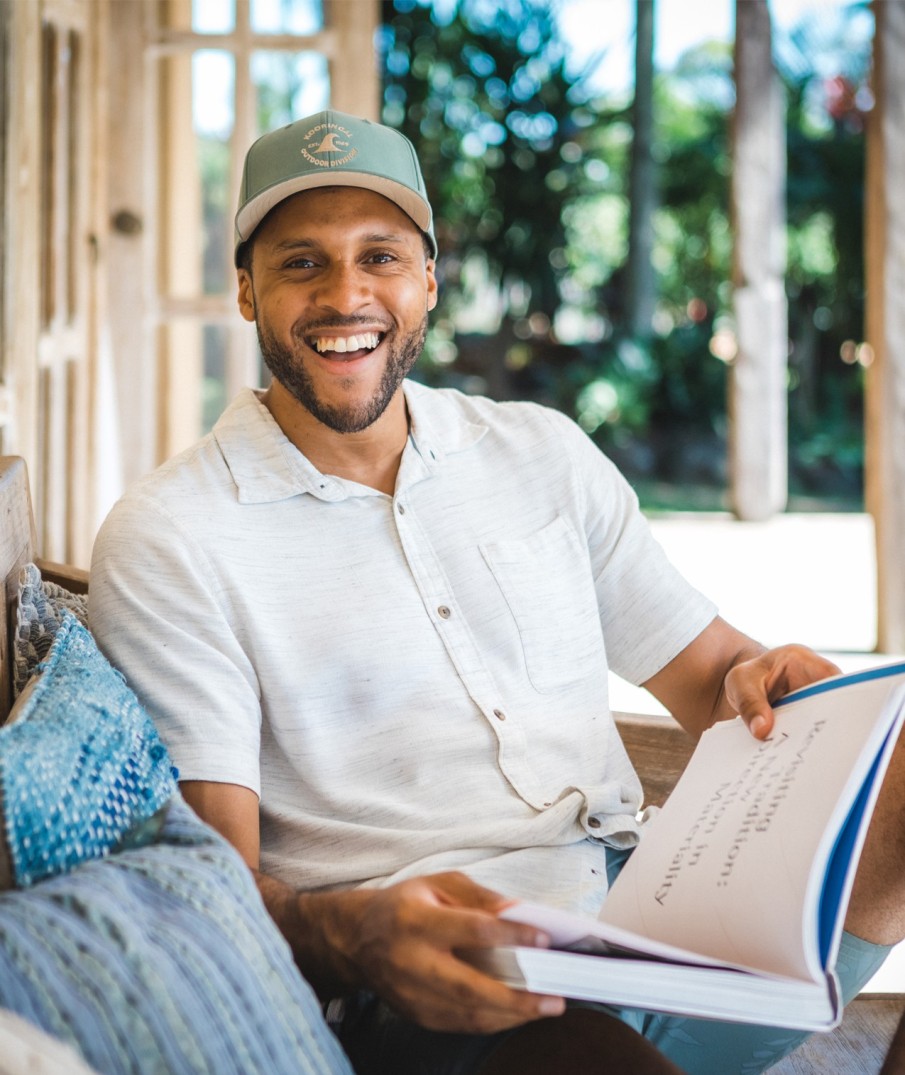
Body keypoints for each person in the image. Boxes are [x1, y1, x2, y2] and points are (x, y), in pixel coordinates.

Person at [88, 110, 905, 1075]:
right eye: (301, 263)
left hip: (659, 918)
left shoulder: (538, 452)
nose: (345, 293)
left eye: (379, 256)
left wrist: (769, 683)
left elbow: (715, 675)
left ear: (427, 280)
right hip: (449, 980)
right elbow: (214, 881)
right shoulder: (173, 534)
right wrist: (352, 936)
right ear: (246, 291)